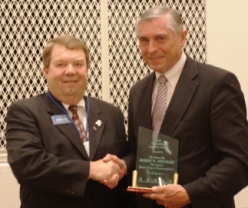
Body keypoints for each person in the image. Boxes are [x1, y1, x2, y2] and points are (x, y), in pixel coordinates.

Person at [128, 6, 248, 208]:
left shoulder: (217, 84)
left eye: (160, 38)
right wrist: (120, 166)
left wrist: (190, 193)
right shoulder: (137, 91)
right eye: (144, 40)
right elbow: (137, 154)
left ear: (182, 37)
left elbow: (238, 161)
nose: (151, 49)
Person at [6, 35, 135, 208]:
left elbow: (128, 155)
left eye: (78, 64)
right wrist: (91, 170)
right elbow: (28, 164)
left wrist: (123, 167)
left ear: (87, 68)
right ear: (46, 70)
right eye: (61, 64)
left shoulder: (111, 113)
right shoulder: (26, 112)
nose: (70, 71)